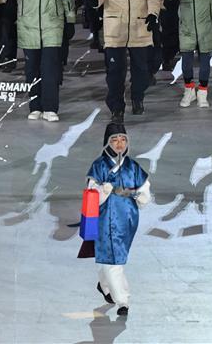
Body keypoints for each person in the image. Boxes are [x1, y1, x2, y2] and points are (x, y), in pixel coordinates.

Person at [88, 0, 161, 121]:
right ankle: (116, 108)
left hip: (140, 24)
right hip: (115, 28)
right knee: (115, 72)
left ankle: (137, 98)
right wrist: (95, 0)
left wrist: (153, 13)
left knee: (142, 71)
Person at [87, 123, 151, 317]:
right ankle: (122, 300)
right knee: (115, 259)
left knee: (112, 257)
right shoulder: (99, 165)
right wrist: (103, 190)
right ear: (107, 142)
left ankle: (104, 284)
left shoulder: (132, 166)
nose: (119, 143)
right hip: (106, 217)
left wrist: (142, 196)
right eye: (114, 139)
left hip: (128, 218)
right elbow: (91, 194)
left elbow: (144, 187)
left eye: (123, 139)